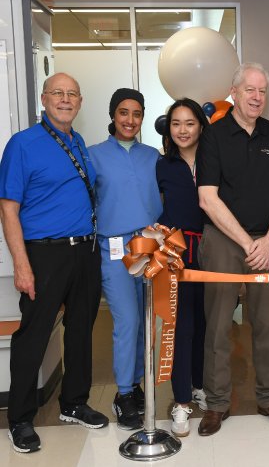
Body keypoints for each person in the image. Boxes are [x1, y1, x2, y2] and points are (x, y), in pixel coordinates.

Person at [0, 72, 108, 453]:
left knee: (81, 329)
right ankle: (20, 418)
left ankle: (74, 403)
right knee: (33, 334)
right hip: (44, 254)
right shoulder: (22, 144)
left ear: (80, 102)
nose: (65, 99)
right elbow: (8, 208)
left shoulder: (77, 142)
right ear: (44, 99)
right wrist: (21, 263)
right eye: (58, 93)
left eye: (72, 94)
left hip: (85, 250)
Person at [196, 62, 269, 436]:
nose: (256, 97)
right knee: (219, 325)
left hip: (268, 241)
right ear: (233, 92)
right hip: (224, 241)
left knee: (268, 324)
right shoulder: (215, 136)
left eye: (262, 91)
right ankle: (217, 403)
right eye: (249, 90)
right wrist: (247, 242)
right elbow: (207, 198)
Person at [88, 88, 162, 430]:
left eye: (136, 113)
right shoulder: (93, 156)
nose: (129, 120)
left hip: (150, 250)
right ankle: (125, 392)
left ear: (143, 117)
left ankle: (137, 384)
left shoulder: (154, 157)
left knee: (146, 322)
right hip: (114, 250)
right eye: (123, 113)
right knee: (128, 321)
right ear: (113, 115)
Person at [156, 98, 209, 437]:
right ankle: (181, 399)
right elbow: (154, 209)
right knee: (182, 325)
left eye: (189, 123)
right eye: (176, 123)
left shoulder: (215, 162)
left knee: (208, 322)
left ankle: (201, 384)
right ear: (168, 128)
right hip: (177, 253)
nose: (183, 130)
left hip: (216, 251)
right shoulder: (162, 166)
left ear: (201, 126)